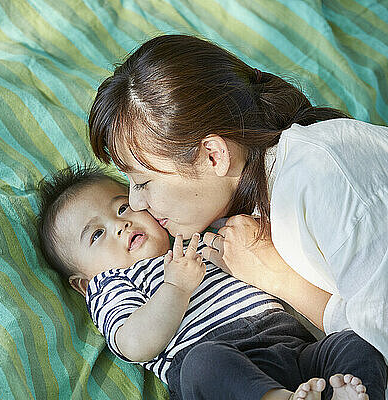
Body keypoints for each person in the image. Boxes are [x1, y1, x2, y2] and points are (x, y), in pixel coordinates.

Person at [88, 34, 388, 368]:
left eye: (144, 182)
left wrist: (282, 281)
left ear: (212, 156)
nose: (136, 203)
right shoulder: (227, 213)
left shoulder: (326, 176)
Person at [35, 164, 386, 400]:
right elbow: (133, 343)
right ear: (83, 284)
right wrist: (175, 287)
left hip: (293, 348)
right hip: (220, 366)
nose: (120, 225)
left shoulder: (190, 237)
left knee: (355, 340)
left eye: (123, 207)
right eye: (97, 234)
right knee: (204, 364)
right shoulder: (110, 283)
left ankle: (347, 393)